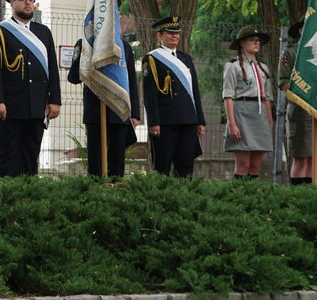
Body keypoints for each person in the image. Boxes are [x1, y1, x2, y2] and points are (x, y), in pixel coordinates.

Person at [0, 0, 61, 176]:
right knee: (8, 155)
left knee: (30, 155)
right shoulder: (0, 31)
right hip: (10, 105)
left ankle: (29, 198)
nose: (27, 3)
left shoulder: (43, 32)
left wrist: (55, 101)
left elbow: (52, 67)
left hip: (36, 105)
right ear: (11, 3)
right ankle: (7, 196)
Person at [67, 25, 140, 177]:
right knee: (96, 158)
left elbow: (131, 81)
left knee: (117, 158)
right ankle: (95, 190)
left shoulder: (124, 47)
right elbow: (73, 77)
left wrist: (135, 114)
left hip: (119, 109)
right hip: (95, 110)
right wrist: (86, 54)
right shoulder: (84, 43)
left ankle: (116, 189)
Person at [141, 16, 206, 177]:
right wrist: (154, 121)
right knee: (162, 166)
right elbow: (150, 94)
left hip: (189, 119)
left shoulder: (186, 59)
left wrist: (200, 120)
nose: (175, 36)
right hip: (166, 121)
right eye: (170, 33)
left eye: (177, 33)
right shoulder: (152, 59)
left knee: (186, 166)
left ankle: (183, 198)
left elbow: (194, 91)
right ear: (159, 35)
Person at [279, 19, 317, 184]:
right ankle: (298, 197)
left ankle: (310, 196)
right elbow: (284, 83)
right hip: (301, 111)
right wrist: (306, 99)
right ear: (301, 30)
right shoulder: (291, 53)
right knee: (301, 157)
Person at [222, 26, 274, 180]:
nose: (256, 43)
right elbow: (228, 96)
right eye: (252, 40)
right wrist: (232, 124)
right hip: (241, 113)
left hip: (260, 116)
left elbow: (267, 98)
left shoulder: (263, 68)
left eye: (258, 41)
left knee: (255, 166)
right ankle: (240, 199)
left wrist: (269, 121)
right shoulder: (233, 66)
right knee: (243, 165)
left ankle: (253, 199)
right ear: (241, 43)